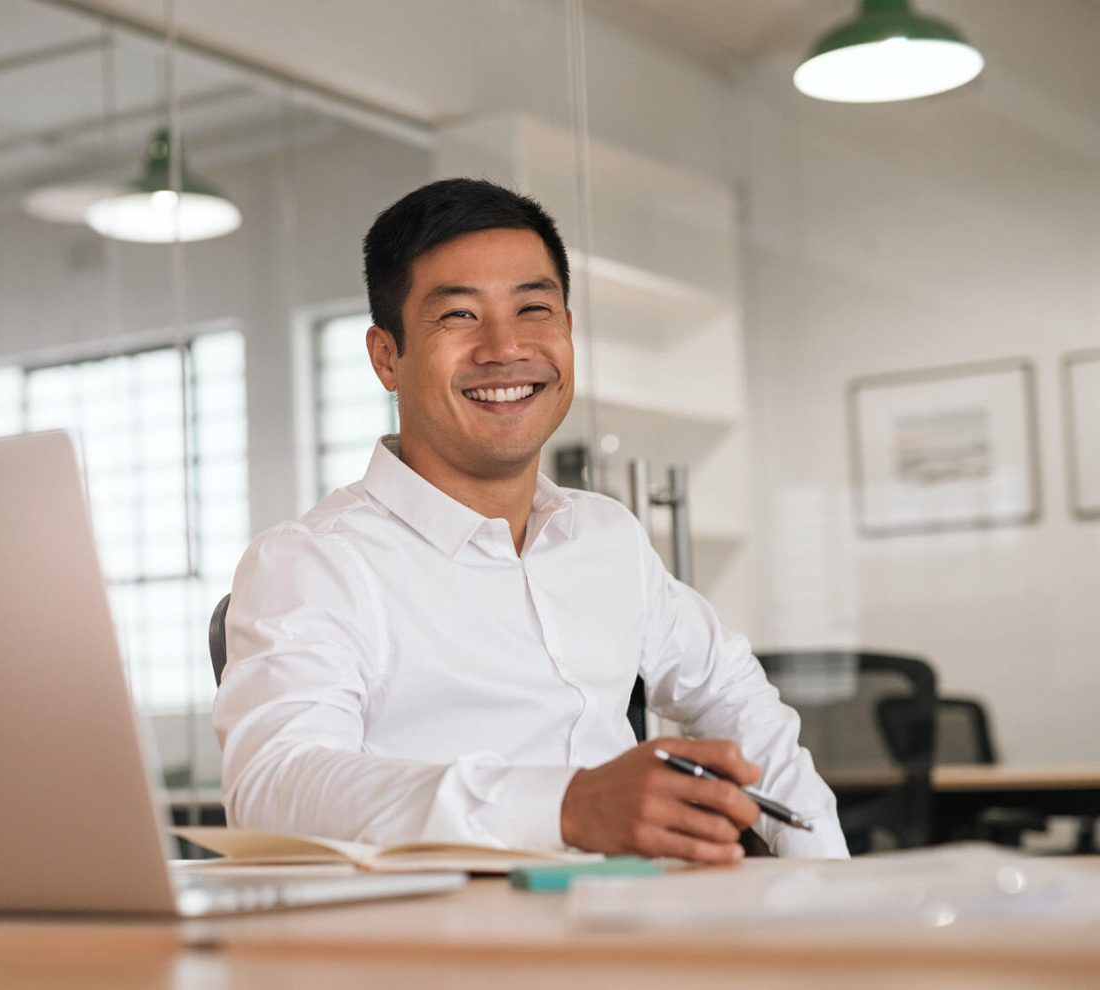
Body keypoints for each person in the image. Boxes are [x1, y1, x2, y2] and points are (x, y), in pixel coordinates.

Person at [213, 178, 846, 862]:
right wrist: (566, 808)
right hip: (451, 950)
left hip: (638, 937)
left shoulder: (608, 537)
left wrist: (826, 876)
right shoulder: (313, 562)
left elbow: (733, 694)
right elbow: (275, 784)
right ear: (386, 356)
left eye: (534, 308)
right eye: (458, 316)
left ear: (568, 332)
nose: (504, 348)